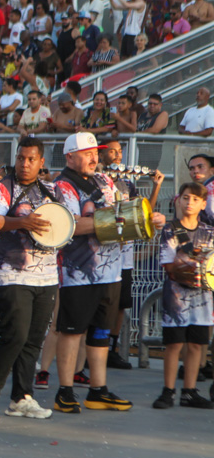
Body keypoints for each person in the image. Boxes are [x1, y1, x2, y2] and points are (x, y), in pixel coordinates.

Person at [52, 132, 163, 414]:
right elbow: (70, 226)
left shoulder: (104, 180)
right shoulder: (62, 186)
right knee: (72, 331)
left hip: (111, 271)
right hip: (79, 272)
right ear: (70, 156)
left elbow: (122, 213)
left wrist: (147, 218)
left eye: (95, 151)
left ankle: (97, 389)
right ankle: (65, 391)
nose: (93, 156)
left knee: (101, 332)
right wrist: (117, 220)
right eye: (86, 152)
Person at [0, 137, 57, 420]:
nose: (25, 164)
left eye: (31, 159)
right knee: (15, 335)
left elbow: (62, 223)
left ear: (41, 162)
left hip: (46, 276)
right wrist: (23, 222)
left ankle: (22, 397)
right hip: (10, 274)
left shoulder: (51, 189)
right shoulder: (2, 187)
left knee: (34, 339)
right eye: (21, 158)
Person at [101, 140, 163, 370]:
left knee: (121, 303)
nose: (117, 155)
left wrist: (155, 186)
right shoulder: (98, 179)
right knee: (102, 302)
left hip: (124, 255)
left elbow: (145, 212)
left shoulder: (127, 182)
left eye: (119, 151)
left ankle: (112, 348)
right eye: (112, 151)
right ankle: (94, 346)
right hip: (103, 253)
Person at [152, 183, 214, 410]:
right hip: (176, 298)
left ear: (203, 204)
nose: (189, 203)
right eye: (186, 198)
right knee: (174, 344)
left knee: (197, 344)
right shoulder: (170, 230)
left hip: (203, 299)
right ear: (178, 201)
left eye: (195, 199)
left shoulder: (210, 232)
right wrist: (191, 269)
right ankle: (168, 391)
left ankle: (189, 391)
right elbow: (168, 265)